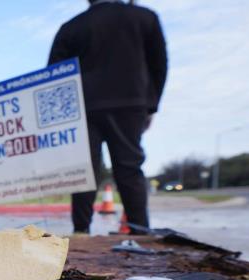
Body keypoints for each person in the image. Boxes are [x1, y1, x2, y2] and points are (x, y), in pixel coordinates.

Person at [48, 0, 167, 234]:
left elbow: (54, 74)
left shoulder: (71, 27)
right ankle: (140, 230)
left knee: (85, 171)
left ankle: (81, 231)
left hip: (84, 107)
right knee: (129, 167)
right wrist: (151, 105)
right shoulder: (144, 18)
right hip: (130, 103)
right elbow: (159, 65)